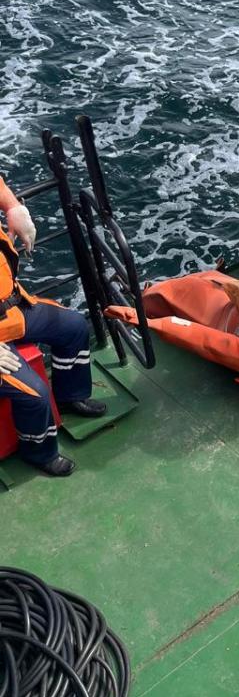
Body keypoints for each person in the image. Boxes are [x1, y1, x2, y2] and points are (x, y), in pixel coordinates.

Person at [0, 176, 106, 477]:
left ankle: (71, 396)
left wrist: (13, 207)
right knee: (34, 394)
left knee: (73, 326)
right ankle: (38, 452)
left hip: (12, 311)